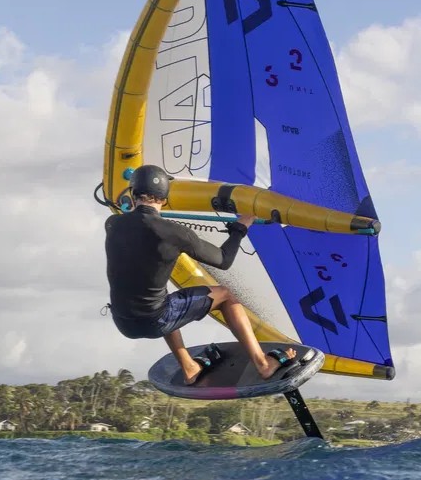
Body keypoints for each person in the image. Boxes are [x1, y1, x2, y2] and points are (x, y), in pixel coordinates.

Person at [105, 164, 296, 385]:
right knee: (224, 294)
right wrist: (241, 227)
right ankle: (263, 364)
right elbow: (223, 260)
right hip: (155, 320)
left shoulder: (112, 224)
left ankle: (189, 367)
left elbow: (135, 227)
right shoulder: (175, 233)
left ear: (133, 194)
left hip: (123, 322)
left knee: (161, 296)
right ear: (164, 199)